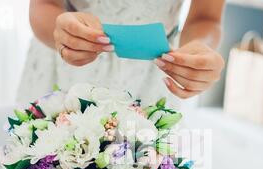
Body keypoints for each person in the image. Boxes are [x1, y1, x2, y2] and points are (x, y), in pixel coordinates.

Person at [17, 0, 225, 105]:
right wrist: (62, 34)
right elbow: (43, 4)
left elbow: (206, 17)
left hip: (153, 76)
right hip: (67, 60)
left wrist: (198, 50)